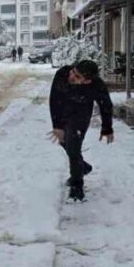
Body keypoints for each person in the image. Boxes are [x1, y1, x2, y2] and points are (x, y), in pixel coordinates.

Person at [49, 59, 114, 202]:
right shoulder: (62, 74)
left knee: (73, 147)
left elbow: (105, 105)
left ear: (87, 81)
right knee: (64, 142)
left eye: (78, 77)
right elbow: (54, 99)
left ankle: (76, 187)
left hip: (81, 115)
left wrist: (107, 128)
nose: (72, 76)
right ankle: (82, 167)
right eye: (73, 72)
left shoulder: (96, 85)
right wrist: (57, 126)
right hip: (63, 111)